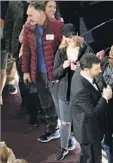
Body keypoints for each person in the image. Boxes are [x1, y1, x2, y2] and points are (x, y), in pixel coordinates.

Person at [21, 1, 63, 143]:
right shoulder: (28, 27)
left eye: (30, 14)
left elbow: (64, 51)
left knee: (60, 104)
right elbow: (26, 50)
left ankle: (68, 135)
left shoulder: (56, 26)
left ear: (40, 12)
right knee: (46, 104)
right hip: (37, 73)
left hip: (54, 74)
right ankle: (53, 130)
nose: (28, 17)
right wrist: (26, 71)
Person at [53, 23, 93, 160]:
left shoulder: (86, 49)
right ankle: (64, 147)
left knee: (81, 124)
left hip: (81, 94)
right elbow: (55, 73)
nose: (71, 39)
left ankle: (85, 152)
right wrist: (64, 66)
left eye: (73, 36)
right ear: (64, 38)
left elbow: (94, 72)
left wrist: (80, 69)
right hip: (65, 93)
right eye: (68, 37)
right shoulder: (61, 52)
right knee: (65, 123)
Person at [70, 53, 113, 163]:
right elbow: (93, 113)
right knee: (92, 159)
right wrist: (105, 97)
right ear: (86, 70)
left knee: (87, 157)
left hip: (89, 128)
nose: (100, 71)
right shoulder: (80, 89)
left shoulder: (81, 71)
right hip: (88, 133)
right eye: (96, 69)